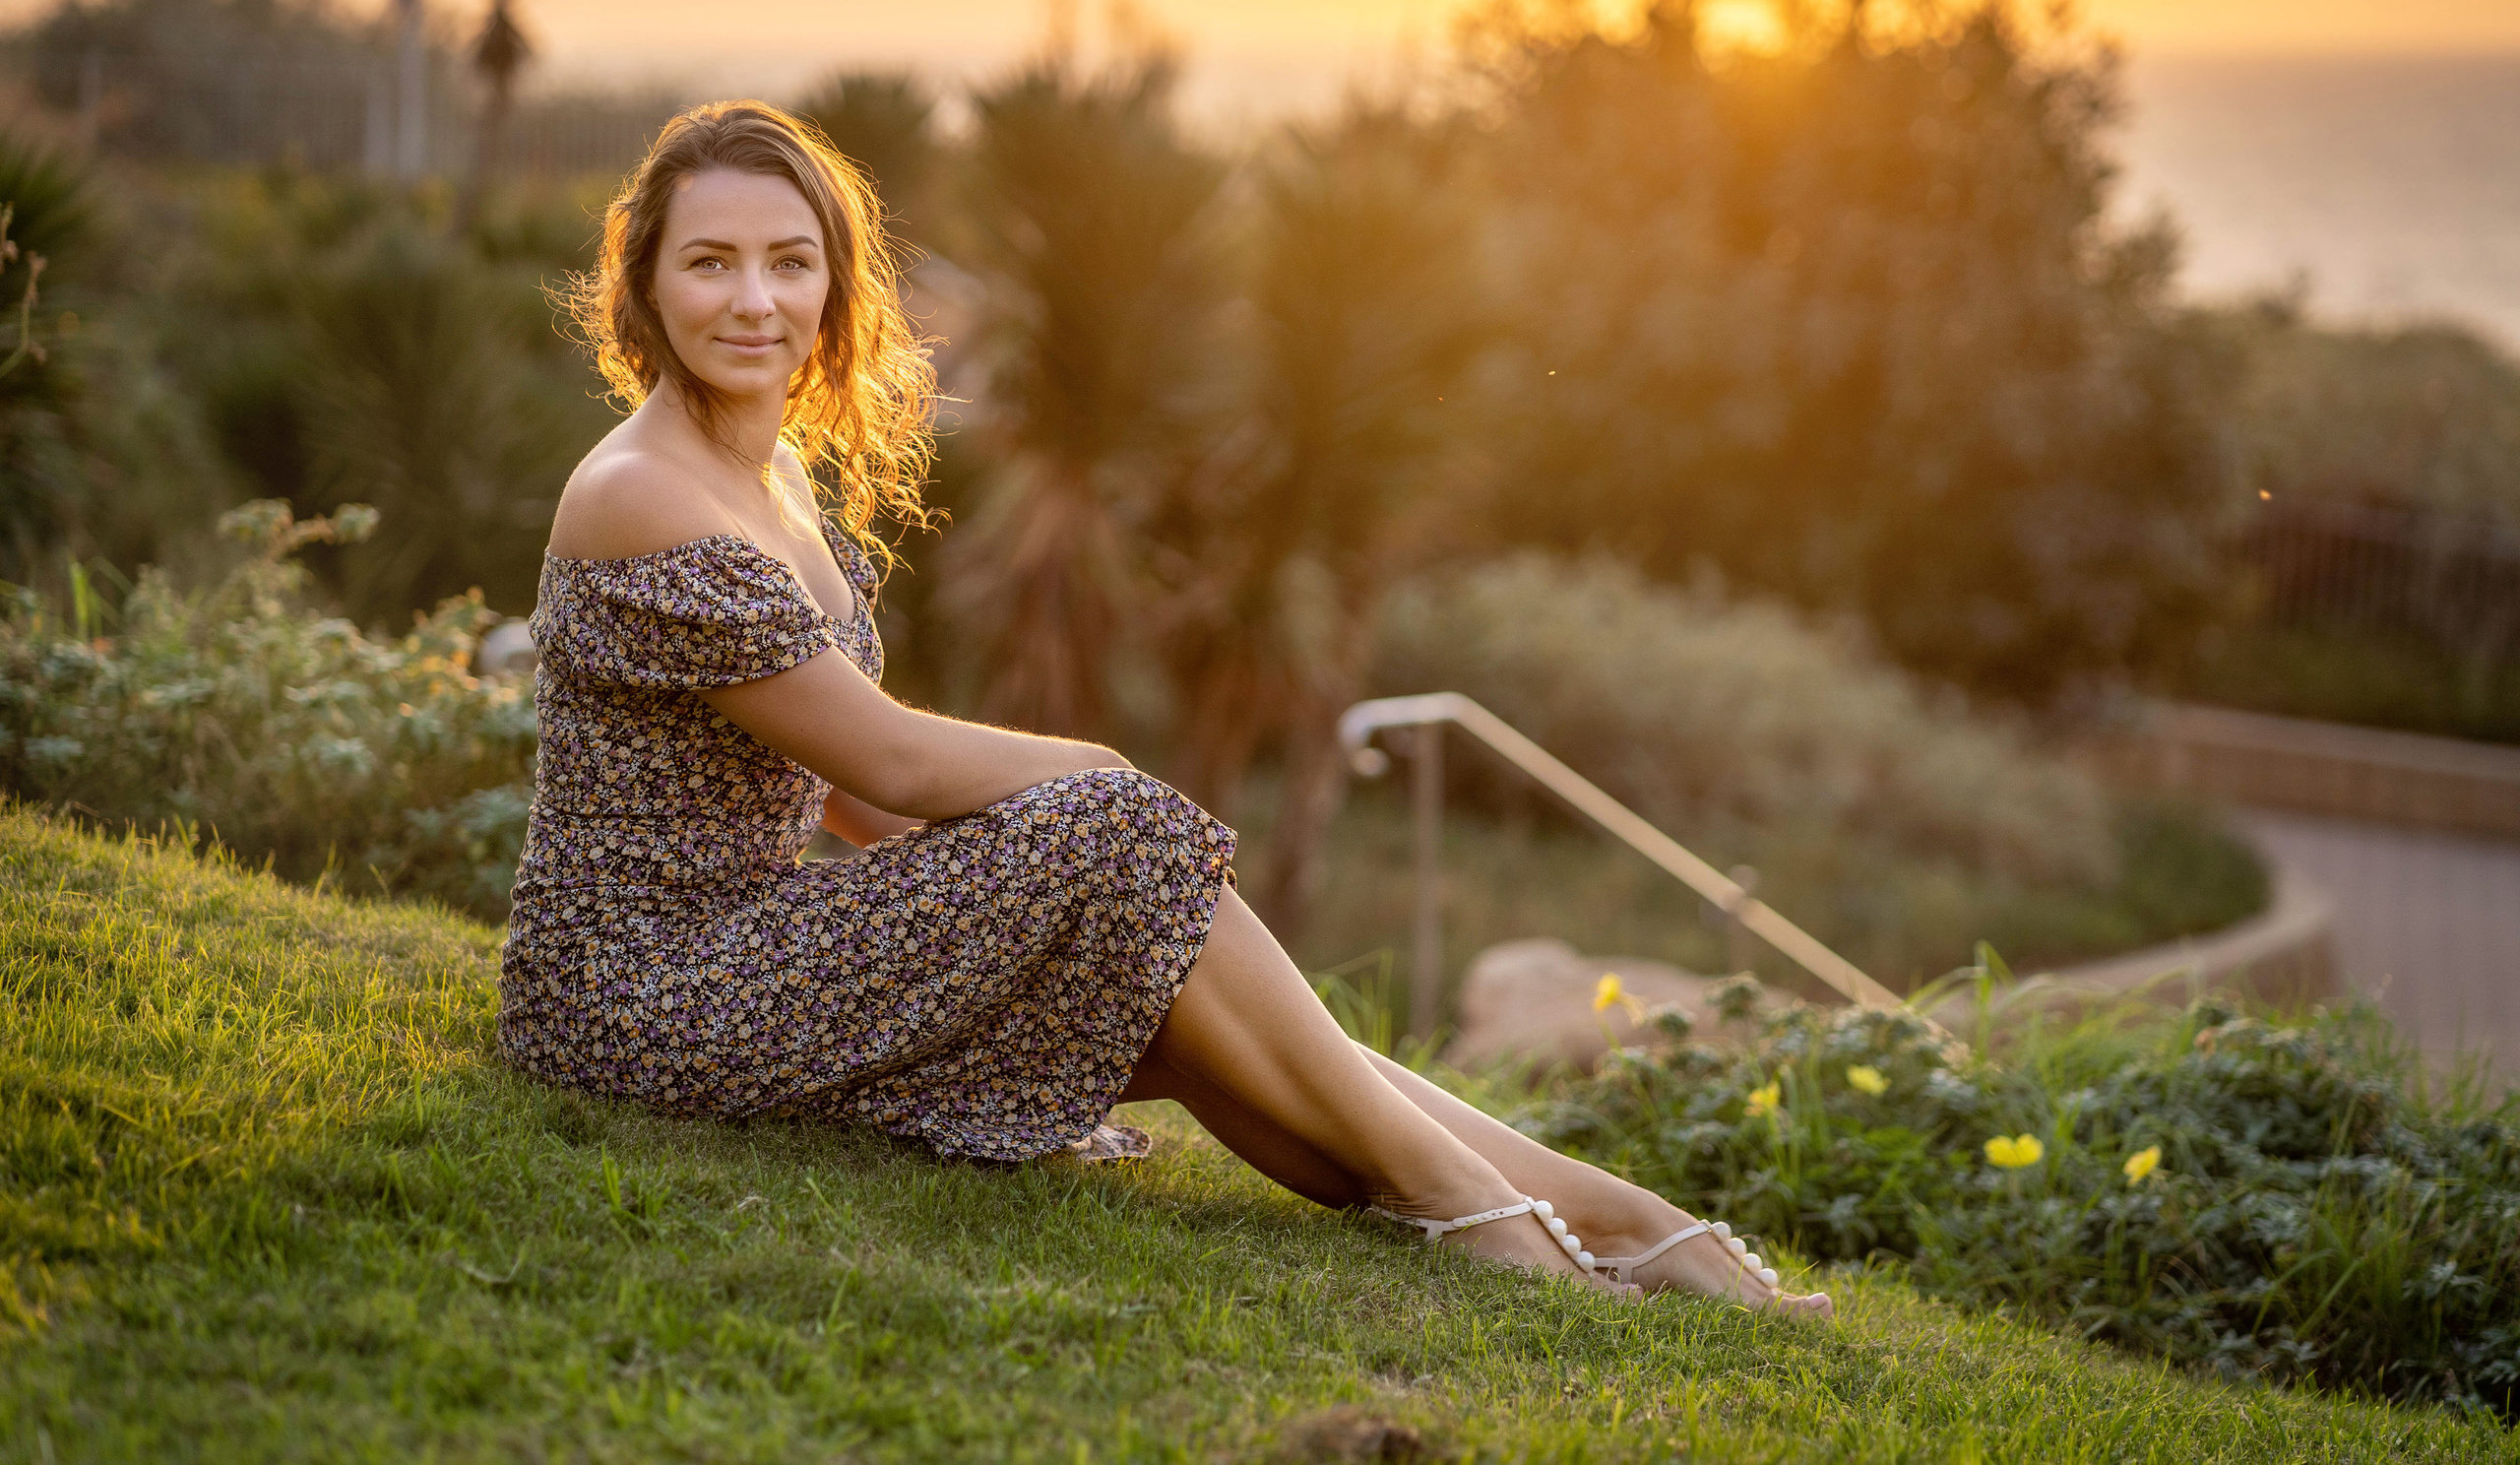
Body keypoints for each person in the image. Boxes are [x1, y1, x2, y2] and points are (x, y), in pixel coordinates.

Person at [495, 98, 1831, 1319]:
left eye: (791, 262)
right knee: (1122, 838)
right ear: (645, 284)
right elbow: (893, 758)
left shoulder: (773, 470)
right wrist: (1100, 790)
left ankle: (1596, 1220)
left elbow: (846, 793)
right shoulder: (640, 494)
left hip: (758, 952)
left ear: (835, 284)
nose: (755, 300)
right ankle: (1507, 1219)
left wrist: (1028, 905)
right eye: (710, 262)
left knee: (1172, 993)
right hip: (641, 1001)